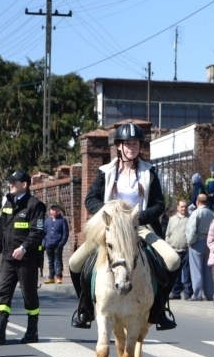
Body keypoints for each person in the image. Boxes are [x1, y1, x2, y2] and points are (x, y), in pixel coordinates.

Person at [70, 122, 180, 331]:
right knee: (75, 262)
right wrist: (109, 214)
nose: (132, 147)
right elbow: (90, 199)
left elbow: (159, 205)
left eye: (136, 143)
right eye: (128, 144)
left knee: (173, 260)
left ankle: (159, 309)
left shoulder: (150, 172)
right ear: (119, 146)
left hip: (139, 227)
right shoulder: (105, 171)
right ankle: (84, 308)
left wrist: (136, 219)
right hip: (110, 229)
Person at [0, 170, 45, 344]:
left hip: (26, 260)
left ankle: (32, 331)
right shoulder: (8, 203)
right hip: (7, 258)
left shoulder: (35, 205)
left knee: (29, 295)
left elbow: (37, 232)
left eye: (15, 182)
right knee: (3, 292)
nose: (11, 184)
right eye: (10, 182)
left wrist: (24, 248)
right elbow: (0, 230)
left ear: (25, 185)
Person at [186, 193, 214, 302]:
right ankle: (209, 294)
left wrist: (190, 242)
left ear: (197, 202)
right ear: (206, 202)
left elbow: (192, 229)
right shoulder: (211, 213)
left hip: (198, 241)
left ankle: (197, 294)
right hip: (209, 241)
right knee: (207, 269)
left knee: (196, 269)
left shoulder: (196, 213)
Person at [164, 200, 193, 300]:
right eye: (182, 207)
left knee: (187, 273)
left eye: (185, 207)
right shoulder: (172, 219)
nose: (183, 209)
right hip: (173, 249)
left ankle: (188, 293)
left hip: (185, 249)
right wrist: (167, 244)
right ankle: (175, 293)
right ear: (178, 208)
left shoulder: (190, 219)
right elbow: (167, 233)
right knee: (175, 273)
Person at [42, 204, 69, 284]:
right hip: (48, 244)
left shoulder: (62, 221)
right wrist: (44, 242)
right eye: (53, 210)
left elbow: (65, 233)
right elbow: (43, 233)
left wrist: (61, 243)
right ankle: (51, 276)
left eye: (56, 210)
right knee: (50, 261)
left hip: (58, 244)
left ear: (59, 211)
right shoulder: (47, 221)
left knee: (58, 260)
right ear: (50, 211)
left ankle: (59, 276)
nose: (54, 211)